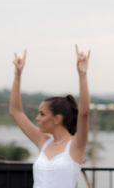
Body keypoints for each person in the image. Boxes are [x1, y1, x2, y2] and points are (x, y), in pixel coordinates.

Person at [9, 45, 90, 188]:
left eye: (42, 114)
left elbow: (84, 114)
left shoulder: (76, 145)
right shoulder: (43, 142)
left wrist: (82, 75)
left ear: (57, 119)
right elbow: (16, 112)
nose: (37, 118)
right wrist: (17, 75)